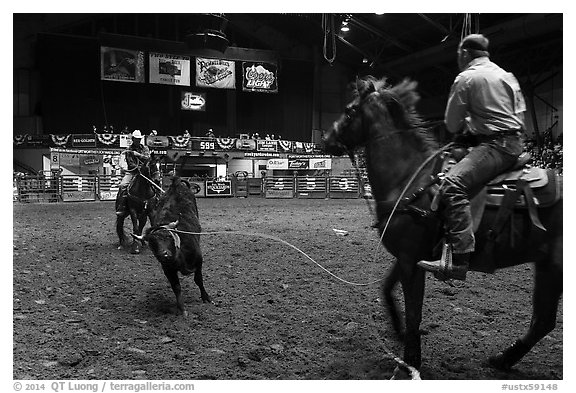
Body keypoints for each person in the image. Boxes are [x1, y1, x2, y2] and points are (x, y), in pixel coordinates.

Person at [417, 34, 526, 281]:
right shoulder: (507, 76)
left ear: (464, 53)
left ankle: (459, 258)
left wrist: (468, 127)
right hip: (514, 141)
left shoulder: (466, 77)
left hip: (495, 145)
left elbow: (452, 123)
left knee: (453, 184)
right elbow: (520, 115)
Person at [115, 130, 151, 215]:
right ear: (133, 139)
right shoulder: (129, 150)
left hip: (145, 172)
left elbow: (148, 159)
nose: (138, 140)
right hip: (133, 172)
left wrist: (138, 155)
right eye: (136, 139)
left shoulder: (145, 148)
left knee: (155, 182)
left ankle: (157, 203)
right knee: (123, 185)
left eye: (139, 139)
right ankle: (121, 206)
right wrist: (138, 168)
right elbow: (130, 164)